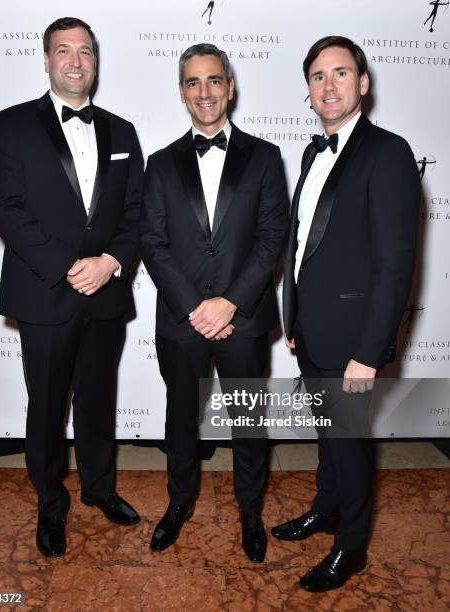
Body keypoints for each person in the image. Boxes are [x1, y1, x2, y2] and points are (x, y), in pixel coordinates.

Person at [0, 17, 143, 558]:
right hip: (45, 292)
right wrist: (69, 265)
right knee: (48, 407)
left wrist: (110, 262)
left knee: (99, 402)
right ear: (47, 60)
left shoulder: (123, 131)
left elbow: (135, 213)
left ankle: (101, 490)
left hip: (106, 292)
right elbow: (5, 210)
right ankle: (51, 504)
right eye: (64, 51)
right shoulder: (12, 125)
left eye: (85, 52)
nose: (75, 61)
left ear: (95, 62)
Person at [272, 36, 421, 591]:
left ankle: (350, 547)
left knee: (351, 445)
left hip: (354, 340)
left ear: (363, 83)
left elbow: (394, 263)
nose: (328, 85)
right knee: (329, 436)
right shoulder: (314, 152)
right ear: (308, 89)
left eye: (340, 73)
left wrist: (369, 349)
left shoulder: (389, 152)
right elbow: (300, 245)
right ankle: (327, 508)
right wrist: (293, 321)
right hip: (312, 330)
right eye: (317, 75)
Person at [141, 43, 288, 562]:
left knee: (248, 420)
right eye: (192, 82)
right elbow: (152, 243)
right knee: (179, 419)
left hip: (243, 319)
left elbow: (273, 236)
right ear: (181, 92)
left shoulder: (266, 157)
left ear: (230, 86)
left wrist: (229, 303)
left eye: (213, 81)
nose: (204, 92)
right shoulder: (159, 164)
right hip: (181, 322)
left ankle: (251, 510)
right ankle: (178, 503)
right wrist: (194, 307)